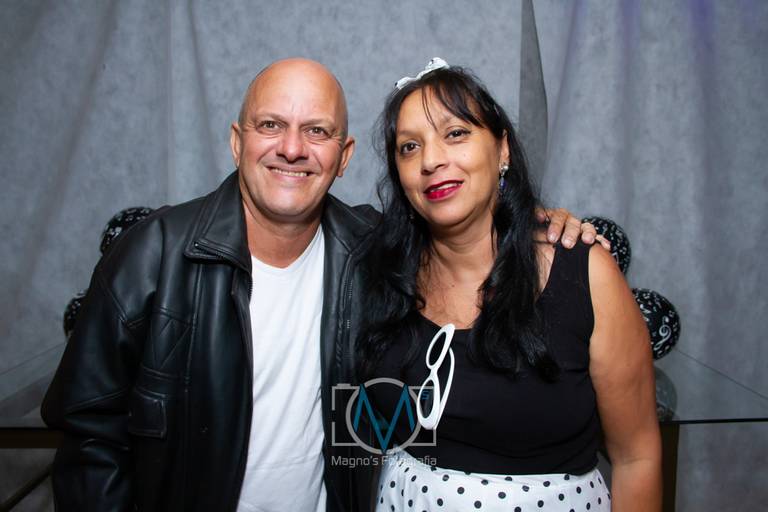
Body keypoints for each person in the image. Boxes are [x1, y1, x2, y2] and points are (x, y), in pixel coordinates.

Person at [41, 58, 599, 512]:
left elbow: (463, 226)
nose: (292, 148)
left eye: (317, 131)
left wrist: (533, 222)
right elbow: (89, 435)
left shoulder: (371, 252)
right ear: (237, 141)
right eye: (270, 125)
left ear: (343, 156)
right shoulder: (155, 252)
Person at [358, 59, 662, 511]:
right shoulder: (380, 270)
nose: (431, 160)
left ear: (502, 150)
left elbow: (637, 457)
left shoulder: (584, 273)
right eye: (409, 147)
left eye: (455, 133)